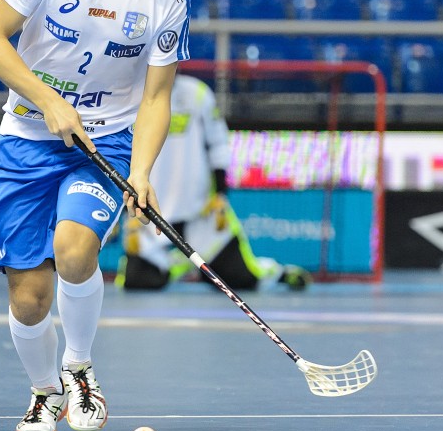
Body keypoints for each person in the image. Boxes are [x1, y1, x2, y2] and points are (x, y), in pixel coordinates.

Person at [0, 0, 191, 431]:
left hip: (106, 144)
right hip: (26, 138)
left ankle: (78, 367)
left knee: (75, 249)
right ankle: (44, 393)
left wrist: (142, 173)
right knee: (30, 298)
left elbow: (155, 99)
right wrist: (47, 100)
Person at [117, 73, 312, 292]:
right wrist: (126, 213)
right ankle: (181, 264)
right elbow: (120, 153)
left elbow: (218, 144)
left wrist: (220, 194)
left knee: (242, 279)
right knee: (137, 282)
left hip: (202, 211)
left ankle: (277, 272)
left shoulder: (198, 93)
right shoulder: (130, 96)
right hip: (152, 210)